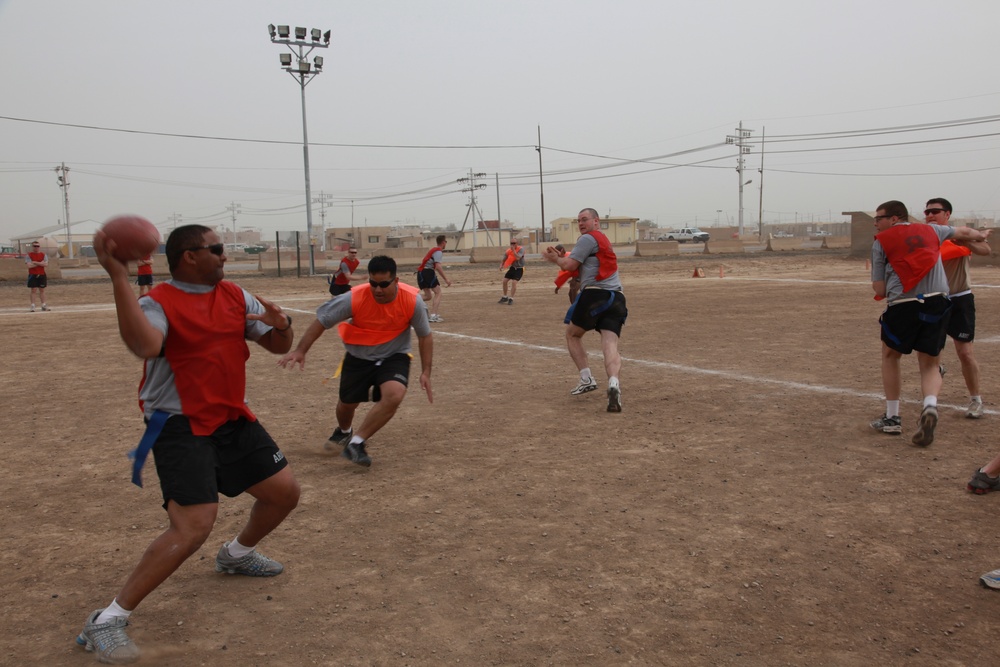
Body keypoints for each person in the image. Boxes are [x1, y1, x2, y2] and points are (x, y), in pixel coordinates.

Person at [76, 224, 301, 664]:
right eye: (216, 249)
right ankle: (106, 621)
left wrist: (283, 325)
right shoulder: (156, 302)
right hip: (178, 424)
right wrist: (119, 277)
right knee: (193, 526)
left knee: (284, 493)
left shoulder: (236, 295)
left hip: (233, 416)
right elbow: (144, 344)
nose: (224, 255)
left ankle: (236, 556)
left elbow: (277, 345)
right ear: (189, 257)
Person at [279, 255, 433, 467]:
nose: (377, 290)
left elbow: (425, 335)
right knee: (346, 405)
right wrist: (300, 350)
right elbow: (322, 321)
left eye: (383, 284)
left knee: (395, 394)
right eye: (373, 283)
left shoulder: (411, 300)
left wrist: (426, 371)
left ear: (396, 281)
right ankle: (344, 432)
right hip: (359, 357)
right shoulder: (355, 298)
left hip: (394, 356)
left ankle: (357, 443)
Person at [868, 200, 990, 447]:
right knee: (930, 362)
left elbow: (879, 287)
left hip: (903, 304)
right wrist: (981, 234)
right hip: (938, 302)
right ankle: (930, 406)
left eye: (879, 218)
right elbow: (966, 233)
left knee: (891, 356)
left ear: (894, 218)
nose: (876, 223)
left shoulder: (882, 241)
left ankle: (892, 417)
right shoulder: (933, 231)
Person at [542, 208, 627, 413]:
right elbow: (581, 266)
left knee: (572, 334)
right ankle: (614, 384)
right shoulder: (602, 239)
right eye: (578, 220)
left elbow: (568, 265)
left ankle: (586, 377)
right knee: (609, 343)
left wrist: (555, 259)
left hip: (595, 295)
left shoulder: (588, 239)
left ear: (596, 221)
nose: (581, 223)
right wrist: (564, 259)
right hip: (617, 297)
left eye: (584, 219)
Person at [925, 198, 991, 419]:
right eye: (927, 212)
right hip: (935, 300)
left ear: (947, 214)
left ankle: (976, 400)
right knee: (931, 354)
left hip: (960, 298)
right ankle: (936, 374)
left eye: (935, 211)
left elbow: (985, 250)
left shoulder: (960, 235)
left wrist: (965, 240)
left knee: (965, 353)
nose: (930, 215)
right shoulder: (927, 237)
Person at [416, 235, 452, 322]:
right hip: (427, 272)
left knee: (428, 296)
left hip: (421, 273)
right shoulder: (438, 251)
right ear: (443, 242)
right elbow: (438, 266)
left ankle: (411, 299)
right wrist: (446, 279)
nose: (446, 243)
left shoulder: (434, 250)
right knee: (438, 292)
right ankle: (433, 315)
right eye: (446, 242)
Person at [498, 238, 525, 305]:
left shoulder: (521, 249)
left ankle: (511, 298)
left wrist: (514, 251)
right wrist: (501, 265)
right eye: (511, 243)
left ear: (517, 243)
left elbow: (518, 257)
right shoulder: (508, 251)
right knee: (504, 281)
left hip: (519, 268)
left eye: (514, 243)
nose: (512, 245)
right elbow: (504, 259)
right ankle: (505, 297)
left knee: (514, 282)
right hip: (512, 268)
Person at [25, 241, 50, 312]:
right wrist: (40, 263)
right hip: (33, 274)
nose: (36, 247)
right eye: (34, 246)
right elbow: (29, 266)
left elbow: (46, 264)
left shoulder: (43, 255)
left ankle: (44, 305)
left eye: (37, 246)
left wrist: (35, 262)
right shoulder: (29, 255)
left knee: (42, 290)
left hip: (41, 274)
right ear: (32, 247)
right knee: (33, 290)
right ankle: (33, 305)